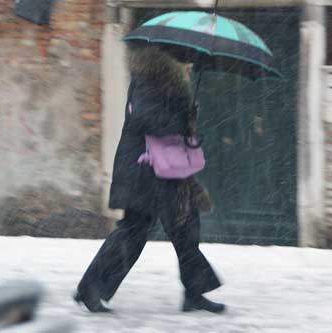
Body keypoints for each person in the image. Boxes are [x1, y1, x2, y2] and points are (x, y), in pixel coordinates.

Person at [74, 46, 225, 313]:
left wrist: (187, 114)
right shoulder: (151, 79)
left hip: (160, 169)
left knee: (184, 227)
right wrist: (182, 116)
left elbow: (161, 119)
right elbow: (145, 118)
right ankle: (91, 288)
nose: (189, 65)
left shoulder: (163, 82)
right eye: (185, 61)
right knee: (136, 231)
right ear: (170, 60)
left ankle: (193, 292)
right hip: (144, 170)